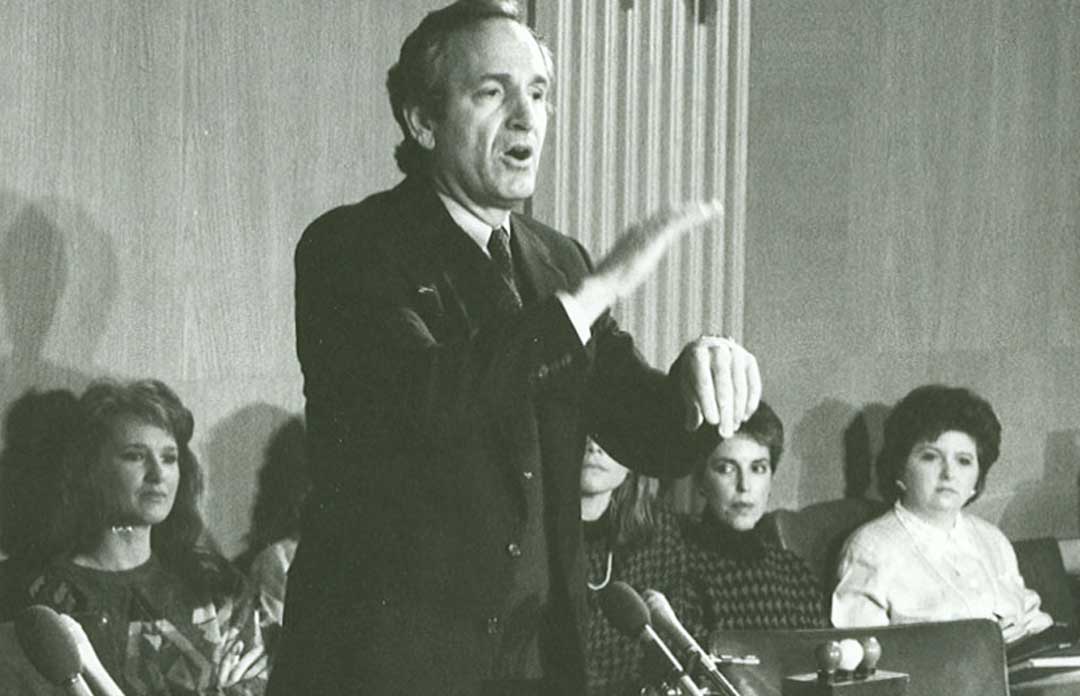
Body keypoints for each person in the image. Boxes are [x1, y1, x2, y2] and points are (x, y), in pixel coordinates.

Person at [269, 1, 763, 694]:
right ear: (422, 119)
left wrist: (700, 385)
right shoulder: (350, 248)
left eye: (538, 93)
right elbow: (427, 399)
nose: (527, 116)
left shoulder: (556, 261)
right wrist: (594, 294)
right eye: (492, 92)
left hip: (535, 665)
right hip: (385, 667)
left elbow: (642, 428)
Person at [9, 379, 268, 695]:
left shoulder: (215, 585)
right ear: (90, 469)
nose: (158, 474)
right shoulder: (45, 594)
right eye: (135, 456)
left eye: (169, 458)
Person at [832, 384, 1053, 644]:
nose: (949, 473)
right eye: (930, 457)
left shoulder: (993, 540)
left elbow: (1034, 620)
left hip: (1019, 676)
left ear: (976, 479)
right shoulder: (871, 548)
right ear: (900, 470)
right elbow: (862, 657)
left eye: (964, 461)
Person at [680, 401, 827, 637]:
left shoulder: (795, 574)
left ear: (770, 479)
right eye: (726, 469)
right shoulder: (680, 567)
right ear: (701, 480)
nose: (744, 486)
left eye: (757, 468)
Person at [580, 437, 691, 696]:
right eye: (583, 431)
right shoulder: (529, 538)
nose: (594, 447)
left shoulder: (659, 532)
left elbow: (673, 651)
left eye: (607, 431)